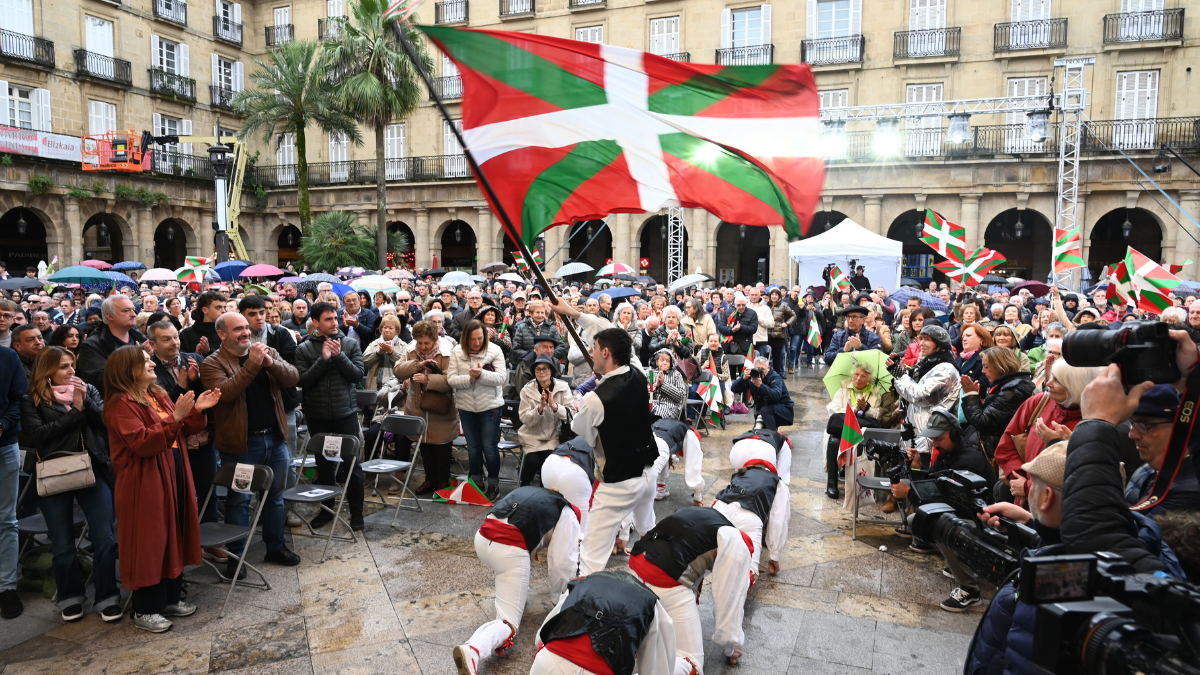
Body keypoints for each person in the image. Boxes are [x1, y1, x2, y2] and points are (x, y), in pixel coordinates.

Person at [104, 345, 219, 632]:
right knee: (150, 540)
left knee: (175, 531)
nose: (151, 363)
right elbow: (142, 442)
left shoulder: (157, 394)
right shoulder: (121, 403)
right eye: (144, 361)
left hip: (173, 467)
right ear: (127, 369)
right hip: (144, 478)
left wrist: (196, 411)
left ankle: (168, 599)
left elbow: (183, 429)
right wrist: (177, 416)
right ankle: (144, 610)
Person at [19, 346, 118, 622]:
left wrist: (85, 402)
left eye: (71, 365)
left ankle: (107, 596)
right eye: (64, 366)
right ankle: (70, 596)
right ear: (47, 370)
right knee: (62, 542)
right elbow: (39, 436)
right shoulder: (31, 399)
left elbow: (104, 424)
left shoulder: (86, 390)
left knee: (104, 537)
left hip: (92, 469)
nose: (71, 371)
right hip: (55, 471)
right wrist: (74, 411)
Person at [201, 312, 303, 573]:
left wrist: (270, 363)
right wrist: (253, 365)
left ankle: (275, 547)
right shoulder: (213, 362)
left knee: (275, 497)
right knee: (240, 501)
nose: (246, 332)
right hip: (242, 446)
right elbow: (225, 394)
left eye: (247, 327)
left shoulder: (263, 351)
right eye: (238, 329)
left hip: (275, 438)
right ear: (222, 334)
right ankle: (236, 558)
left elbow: (292, 378)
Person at [452, 486, 580, 675]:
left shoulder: (534, 493)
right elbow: (562, 563)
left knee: (508, 568)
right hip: (508, 549)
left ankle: (514, 587)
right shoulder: (568, 513)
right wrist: (559, 602)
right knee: (508, 622)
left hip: (482, 538)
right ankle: (474, 650)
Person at [571, 328, 668, 576]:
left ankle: (584, 603)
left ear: (605, 352)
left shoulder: (594, 399)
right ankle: (660, 571)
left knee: (591, 555)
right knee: (648, 530)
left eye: (593, 348)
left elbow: (582, 431)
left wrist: (586, 400)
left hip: (618, 483)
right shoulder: (638, 374)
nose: (591, 353)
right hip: (648, 474)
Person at [966, 446, 1067, 668]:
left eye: (1033, 486)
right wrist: (1029, 522)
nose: (1027, 491)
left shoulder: (1046, 583)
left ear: (1046, 497)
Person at [628, 507, 752, 671]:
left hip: (639, 562)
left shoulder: (711, 519)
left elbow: (689, 554)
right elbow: (728, 598)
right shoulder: (736, 545)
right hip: (666, 579)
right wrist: (730, 644)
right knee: (692, 662)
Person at [294, 301, 367, 529]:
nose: (334, 323)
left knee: (352, 465)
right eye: (328, 319)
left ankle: (357, 514)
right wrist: (323, 359)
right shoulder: (304, 349)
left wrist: (338, 356)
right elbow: (302, 381)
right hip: (317, 415)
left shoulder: (349, 343)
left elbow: (357, 375)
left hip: (344, 413)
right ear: (316, 322)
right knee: (323, 466)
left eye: (335, 318)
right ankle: (326, 510)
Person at [890, 410, 996, 563]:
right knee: (915, 516)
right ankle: (942, 547)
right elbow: (931, 481)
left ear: (954, 435)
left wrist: (909, 493)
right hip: (959, 512)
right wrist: (917, 467)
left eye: (939, 439)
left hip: (978, 521)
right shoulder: (948, 452)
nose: (935, 443)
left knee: (926, 521)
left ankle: (967, 571)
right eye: (933, 439)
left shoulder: (967, 462)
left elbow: (946, 501)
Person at [529, 570, 677, 675]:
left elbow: (540, 639)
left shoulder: (584, 583)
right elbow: (658, 670)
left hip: (547, 665)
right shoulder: (652, 605)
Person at [995, 360, 1101, 506]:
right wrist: (1019, 481)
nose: (1048, 383)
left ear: (1075, 385)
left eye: (1057, 380)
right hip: (1024, 505)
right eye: (1051, 376)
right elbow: (1006, 447)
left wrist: (1029, 487)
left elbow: (1084, 481)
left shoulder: (1095, 423)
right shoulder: (1038, 402)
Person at [148, 321, 218, 528]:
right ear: (153, 344)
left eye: (175, 337)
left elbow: (209, 397)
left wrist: (196, 382)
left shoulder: (194, 358)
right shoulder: (150, 368)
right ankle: (181, 538)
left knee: (208, 489)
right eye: (166, 339)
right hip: (174, 441)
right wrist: (181, 387)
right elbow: (160, 408)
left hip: (202, 437)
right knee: (178, 491)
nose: (174, 343)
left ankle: (211, 537)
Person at [393, 320, 459, 494]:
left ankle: (443, 482)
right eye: (419, 342)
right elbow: (398, 370)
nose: (422, 346)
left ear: (434, 339)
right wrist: (417, 365)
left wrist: (428, 380)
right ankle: (430, 480)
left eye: (426, 343)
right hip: (417, 406)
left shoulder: (447, 352)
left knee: (442, 447)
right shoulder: (410, 349)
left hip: (441, 407)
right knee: (425, 445)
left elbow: (452, 380)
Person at [448, 319, 508, 501]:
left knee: (489, 447)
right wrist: (470, 379)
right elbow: (451, 379)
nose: (476, 343)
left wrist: (482, 374)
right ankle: (477, 483)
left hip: (490, 406)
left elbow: (502, 378)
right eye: (473, 339)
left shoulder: (494, 350)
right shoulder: (457, 352)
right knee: (473, 447)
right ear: (466, 339)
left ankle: (494, 484)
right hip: (466, 406)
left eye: (480, 338)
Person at [714, 436, 790, 577]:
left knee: (710, 559)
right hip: (750, 516)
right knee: (749, 572)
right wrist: (774, 555)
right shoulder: (778, 483)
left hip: (719, 510)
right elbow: (778, 519)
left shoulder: (738, 474)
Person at [1124, 384, 1200, 514]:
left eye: (1144, 425)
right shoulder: (1147, 470)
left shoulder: (1191, 491)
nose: (1132, 434)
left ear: (1184, 429)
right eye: (1133, 423)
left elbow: (1134, 532)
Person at [890, 325, 961, 455]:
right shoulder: (924, 364)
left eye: (927, 339)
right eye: (920, 339)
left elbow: (919, 396)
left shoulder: (945, 369)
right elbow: (911, 389)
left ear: (939, 344)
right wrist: (904, 372)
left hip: (931, 439)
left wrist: (900, 375)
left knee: (925, 475)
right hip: (916, 436)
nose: (921, 343)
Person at [961, 346, 1035, 459]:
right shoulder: (1008, 386)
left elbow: (982, 422)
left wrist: (971, 396)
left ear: (1000, 367)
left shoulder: (1013, 391)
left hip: (1000, 454)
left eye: (986, 367)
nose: (982, 371)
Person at [825, 361, 884, 499]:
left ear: (869, 380)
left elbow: (878, 416)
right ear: (852, 376)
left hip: (863, 432)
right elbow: (833, 410)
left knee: (862, 443)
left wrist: (866, 408)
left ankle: (859, 481)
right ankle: (831, 482)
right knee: (833, 441)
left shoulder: (875, 393)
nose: (858, 378)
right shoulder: (843, 389)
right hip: (843, 429)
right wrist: (854, 409)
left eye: (863, 376)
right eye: (856, 374)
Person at [517, 354, 572, 486]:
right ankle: (524, 489)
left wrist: (555, 407)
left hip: (552, 436)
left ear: (551, 370)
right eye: (538, 369)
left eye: (545, 369)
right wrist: (539, 408)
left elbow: (572, 414)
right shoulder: (527, 390)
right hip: (531, 436)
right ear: (534, 372)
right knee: (532, 462)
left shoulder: (563, 387)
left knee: (548, 463)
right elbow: (524, 418)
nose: (542, 372)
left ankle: (544, 493)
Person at [77, 295, 145, 393]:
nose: (134, 314)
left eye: (133, 310)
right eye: (126, 311)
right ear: (110, 316)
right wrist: (135, 360)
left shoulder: (142, 339)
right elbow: (102, 382)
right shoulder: (92, 345)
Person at [730, 355, 794, 430]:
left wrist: (761, 385)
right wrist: (743, 378)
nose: (760, 372)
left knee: (765, 411)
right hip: (765, 411)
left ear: (768, 368)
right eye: (758, 369)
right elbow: (734, 389)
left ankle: (771, 436)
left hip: (783, 410)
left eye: (762, 369)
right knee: (757, 431)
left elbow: (776, 396)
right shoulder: (753, 377)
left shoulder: (775, 377)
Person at [651, 418, 705, 505]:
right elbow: (693, 464)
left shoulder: (672, 424)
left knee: (639, 473)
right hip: (662, 445)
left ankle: (661, 488)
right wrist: (698, 496)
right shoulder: (691, 435)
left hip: (647, 438)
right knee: (645, 481)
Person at [363, 313, 408, 407]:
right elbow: (364, 362)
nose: (387, 330)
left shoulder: (404, 346)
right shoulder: (374, 344)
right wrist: (377, 353)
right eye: (384, 327)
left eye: (391, 328)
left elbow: (406, 366)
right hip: (374, 386)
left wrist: (392, 353)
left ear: (397, 330)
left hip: (395, 389)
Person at [512, 300, 566, 364]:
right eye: (537, 312)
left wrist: (547, 355)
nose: (540, 315)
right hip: (527, 365)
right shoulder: (522, 327)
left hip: (548, 365)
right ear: (531, 313)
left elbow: (561, 347)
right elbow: (516, 349)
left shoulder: (551, 327)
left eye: (542, 312)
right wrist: (534, 355)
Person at [179, 290, 226, 356]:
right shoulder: (186, 334)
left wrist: (209, 351)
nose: (223, 311)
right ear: (205, 310)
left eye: (224, 307)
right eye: (218, 307)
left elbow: (233, 356)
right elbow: (180, 360)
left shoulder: (226, 332)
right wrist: (196, 355)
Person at [649, 348, 688, 423]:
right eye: (662, 360)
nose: (664, 363)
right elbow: (642, 392)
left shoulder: (676, 375)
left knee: (659, 415)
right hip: (651, 404)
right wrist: (656, 386)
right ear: (657, 362)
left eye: (667, 361)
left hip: (670, 406)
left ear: (671, 363)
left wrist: (663, 384)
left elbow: (680, 396)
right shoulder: (649, 373)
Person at [765, 287, 795, 374]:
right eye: (772, 294)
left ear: (779, 296)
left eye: (776, 294)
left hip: (778, 335)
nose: (774, 296)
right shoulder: (765, 305)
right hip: (766, 334)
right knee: (765, 357)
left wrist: (787, 323)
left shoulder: (784, 305)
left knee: (777, 357)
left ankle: (777, 375)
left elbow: (793, 316)